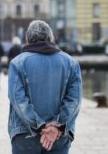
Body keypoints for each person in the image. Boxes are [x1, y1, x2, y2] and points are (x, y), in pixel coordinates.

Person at [8, 20, 82, 154]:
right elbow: (74, 100)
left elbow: (18, 100)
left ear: (27, 38)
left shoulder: (17, 63)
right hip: (59, 137)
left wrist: (40, 125)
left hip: (25, 135)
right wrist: (57, 127)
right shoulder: (72, 63)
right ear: (51, 38)